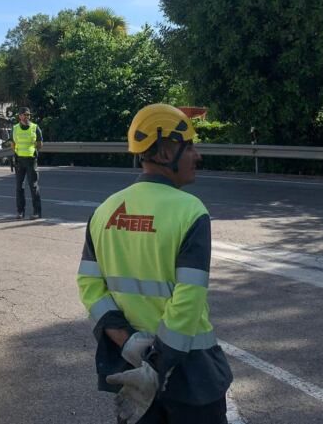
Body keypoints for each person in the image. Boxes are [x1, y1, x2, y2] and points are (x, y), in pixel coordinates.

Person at [77, 104, 231, 424]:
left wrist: (132, 344)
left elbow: (90, 287)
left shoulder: (104, 210)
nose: (197, 156)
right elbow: (188, 299)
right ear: (164, 153)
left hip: (133, 375)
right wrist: (158, 363)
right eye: (189, 147)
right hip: (191, 376)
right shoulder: (190, 211)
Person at [11, 107, 43, 219]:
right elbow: (13, 143)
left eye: (28, 115)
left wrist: (33, 149)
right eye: (24, 115)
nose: (26, 117)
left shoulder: (35, 127)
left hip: (31, 160)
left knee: (33, 187)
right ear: (19, 116)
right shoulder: (15, 128)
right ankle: (20, 212)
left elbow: (40, 144)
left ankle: (37, 212)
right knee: (19, 187)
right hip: (19, 161)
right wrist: (16, 153)